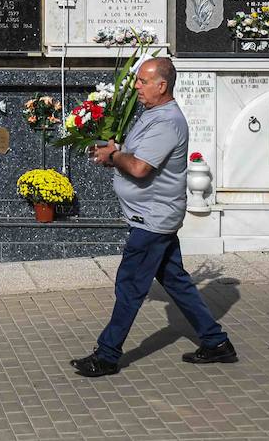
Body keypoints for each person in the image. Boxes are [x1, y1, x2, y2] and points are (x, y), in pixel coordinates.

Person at [70, 58, 237, 377]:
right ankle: (216, 343)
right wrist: (114, 155)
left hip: (152, 220)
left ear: (162, 86)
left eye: (143, 82)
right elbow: (135, 159)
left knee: (130, 285)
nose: (137, 86)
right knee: (176, 282)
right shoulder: (153, 115)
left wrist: (114, 156)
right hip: (153, 216)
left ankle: (107, 355)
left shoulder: (166, 122)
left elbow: (140, 167)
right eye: (137, 81)